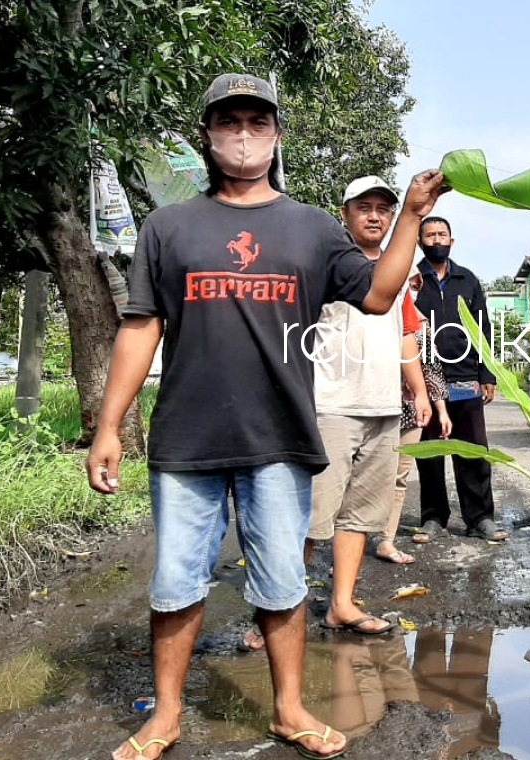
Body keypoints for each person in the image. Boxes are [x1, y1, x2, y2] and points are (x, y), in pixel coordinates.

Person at [86, 73, 446, 760]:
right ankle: (165, 715)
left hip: (279, 438)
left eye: (257, 121)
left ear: (276, 136)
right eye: (229, 122)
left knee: (281, 581)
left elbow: (378, 293)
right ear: (209, 136)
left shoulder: (309, 227)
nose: (243, 134)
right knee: (174, 583)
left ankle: (288, 709)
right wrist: (109, 425)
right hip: (186, 438)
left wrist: (409, 213)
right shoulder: (168, 228)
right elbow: (140, 328)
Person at [304, 175, 434, 636]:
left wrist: (418, 392)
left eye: (384, 207)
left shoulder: (396, 270)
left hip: (381, 407)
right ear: (346, 214)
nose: (375, 215)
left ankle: (341, 603)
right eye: (364, 207)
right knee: (310, 517)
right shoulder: (326, 263)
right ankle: (277, 611)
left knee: (359, 514)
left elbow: (404, 335)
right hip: (331, 405)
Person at [410, 217, 509, 543]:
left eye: (442, 234)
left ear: (452, 240)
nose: (436, 239)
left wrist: (487, 374)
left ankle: (480, 518)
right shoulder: (413, 281)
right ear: (421, 240)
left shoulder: (468, 280)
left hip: (466, 378)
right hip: (425, 382)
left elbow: (484, 330)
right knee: (430, 452)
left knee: (473, 451)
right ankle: (433, 517)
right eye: (430, 234)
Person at [380, 297, 452, 564]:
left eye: (412, 283)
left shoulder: (422, 326)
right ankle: (350, 547)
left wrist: (441, 410)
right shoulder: (372, 312)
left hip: (409, 409)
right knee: (363, 477)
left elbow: (432, 370)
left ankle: (386, 540)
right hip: (374, 406)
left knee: (399, 477)